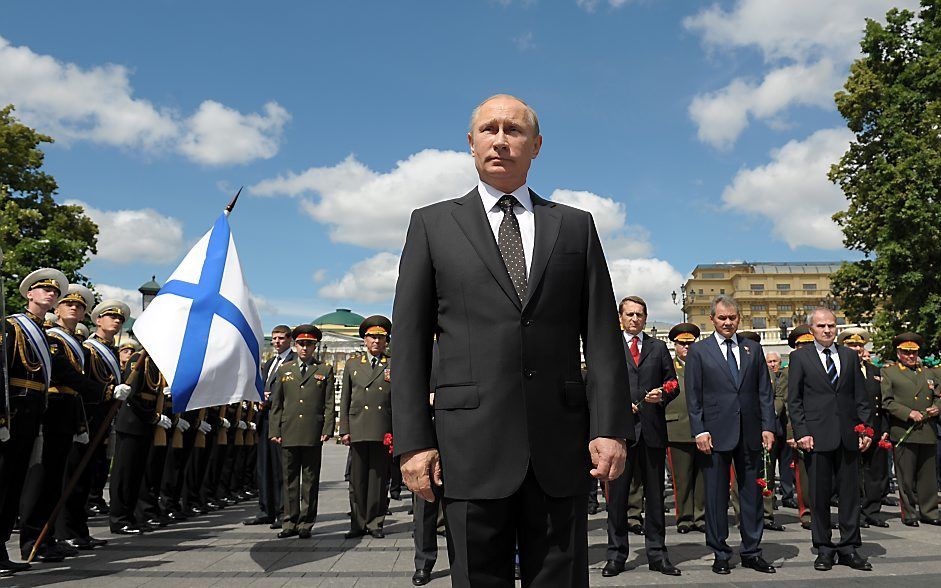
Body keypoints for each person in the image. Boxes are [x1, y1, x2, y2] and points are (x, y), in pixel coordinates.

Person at [393, 94, 631, 587]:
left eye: (514, 130)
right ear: (471, 142)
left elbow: (604, 338)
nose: (500, 140)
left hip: (559, 450)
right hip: (468, 452)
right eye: (488, 129)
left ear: (536, 145)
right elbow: (411, 343)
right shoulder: (432, 224)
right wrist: (414, 443)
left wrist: (610, 428)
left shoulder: (575, 226)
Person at [684, 295, 776, 575]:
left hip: (750, 433)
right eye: (722, 318)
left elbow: (764, 392)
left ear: (739, 319)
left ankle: (752, 550)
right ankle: (720, 552)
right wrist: (699, 429)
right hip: (714, 434)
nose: (728, 322)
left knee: (752, 495)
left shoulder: (752, 350)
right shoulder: (700, 352)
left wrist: (768, 426)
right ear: (712, 319)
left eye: (732, 317)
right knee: (714, 497)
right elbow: (694, 396)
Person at [787, 308, 872, 572]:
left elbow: (861, 397)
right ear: (811, 328)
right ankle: (824, 547)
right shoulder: (800, 358)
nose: (827, 330)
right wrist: (801, 433)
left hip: (847, 437)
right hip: (817, 437)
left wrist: (865, 430)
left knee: (849, 495)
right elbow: (795, 400)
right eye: (821, 326)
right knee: (819, 496)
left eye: (831, 326)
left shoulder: (848, 356)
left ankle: (848, 547)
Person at [19, 284, 95, 562]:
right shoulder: (49, 337)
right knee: (39, 480)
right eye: (69, 304)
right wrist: (103, 392)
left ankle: (46, 537)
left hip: (67, 412)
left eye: (80, 306)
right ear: (58, 309)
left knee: (54, 481)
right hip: (48, 411)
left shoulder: (73, 342)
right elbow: (62, 374)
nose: (74, 308)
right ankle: (32, 540)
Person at [604, 296, 679, 577]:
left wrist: (662, 394)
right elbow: (599, 385)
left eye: (640, 314)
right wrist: (617, 403)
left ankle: (658, 554)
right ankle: (616, 555)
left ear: (646, 318)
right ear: (620, 318)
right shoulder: (610, 347)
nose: (635, 319)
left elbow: (673, 383)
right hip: (621, 434)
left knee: (656, 498)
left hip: (652, 432)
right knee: (618, 499)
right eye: (630, 314)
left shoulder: (658, 348)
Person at [1, 268, 68, 576]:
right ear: (29, 294)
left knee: (13, 484)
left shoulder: (43, 333)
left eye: (54, 292)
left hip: (31, 415)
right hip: (13, 412)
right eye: (43, 290)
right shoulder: (14, 327)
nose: (50, 294)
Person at [107, 302, 169, 535]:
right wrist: (153, 417)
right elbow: (132, 397)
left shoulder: (155, 362)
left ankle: (131, 515)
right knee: (124, 474)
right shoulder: (137, 359)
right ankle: (119, 517)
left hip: (144, 424)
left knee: (137, 474)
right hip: (132, 422)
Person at [269, 324, 335, 539]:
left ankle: (306, 522)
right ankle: (289, 521)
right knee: (289, 479)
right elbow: (277, 403)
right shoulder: (284, 370)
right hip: (288, 430)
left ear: (315, 346)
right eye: (301, 343)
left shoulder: (324, 370)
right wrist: (274, 429)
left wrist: (327, 429)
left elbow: (328, 403)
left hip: (312, 431)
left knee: (309, 479)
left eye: (309, 344)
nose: (305, 347)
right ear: (295, 345)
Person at [340, 316, 395, 539]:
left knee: (379, 479)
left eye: (381, 338)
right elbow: (345, 399)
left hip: (383, 429)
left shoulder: (392, 363)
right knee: (357, 479)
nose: (377, 341)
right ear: (365, 340)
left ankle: (375, 522)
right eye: (372, 337)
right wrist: (344, 429)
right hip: (358, 427)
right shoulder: (353, 364)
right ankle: (357, 522)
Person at [881, 332, 941, 526]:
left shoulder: (928, 372)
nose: (910, 356)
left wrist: (937, 408)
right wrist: (908, 413)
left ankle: (930, 511)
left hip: (927, 429)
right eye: (906, 352)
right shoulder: (890, 372)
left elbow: (939, 396)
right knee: (905, 477)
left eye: (913, 352)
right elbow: (886, 401)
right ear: (898, 353)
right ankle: (909, 513)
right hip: (904, 431)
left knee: (928, 476)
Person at [838, 328, 891, 528]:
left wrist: (884, 428)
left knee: (875, 473)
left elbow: (882, 402)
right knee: (852, 474)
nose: (857, 348)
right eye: (852, 345)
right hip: (851, 428)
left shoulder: (874, 370)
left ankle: (872, 511)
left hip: (875, 428)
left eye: (860, 345)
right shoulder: (840, 369)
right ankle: (854, 513)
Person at [245, 325, 295, 527]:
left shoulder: (293, 362)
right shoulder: (269, 363)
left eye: (281, 338)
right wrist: (259, 398)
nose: (276, 342)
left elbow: (292, 392)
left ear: (289, 340)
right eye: (274, 339)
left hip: (282, 420)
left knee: (281, 468)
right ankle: (266, 509)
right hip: (265, 419)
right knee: (264, 467)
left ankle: (284, 511)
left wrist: (271, 399)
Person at [665, 323, 706, 535]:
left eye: (690, 343)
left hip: (703, 430)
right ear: (675, 345)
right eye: (682, 344)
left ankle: (700, 516)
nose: (687, 347)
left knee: (701, 478)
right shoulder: (668, 367)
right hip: (677, 428)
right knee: (681, 479)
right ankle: (684, 517)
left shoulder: (703, 364)